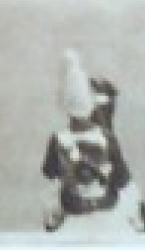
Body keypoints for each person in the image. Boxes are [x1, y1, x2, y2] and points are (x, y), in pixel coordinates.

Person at [41, 50, 134, 230]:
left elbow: (50, 173)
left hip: (72, 214)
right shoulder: (107, 138)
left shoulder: (58, 139)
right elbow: (122, 179)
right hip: (109, 215)